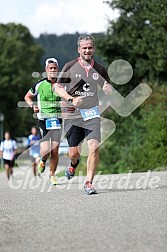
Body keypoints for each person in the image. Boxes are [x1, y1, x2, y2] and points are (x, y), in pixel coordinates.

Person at [54, 34, 112, 194]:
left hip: (91, 113)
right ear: (79, 49)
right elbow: (57, 88)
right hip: (73, 115)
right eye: (84, 48)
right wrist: (71, 99)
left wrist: (108, 88)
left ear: (94, 49)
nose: (87, 50)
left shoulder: (99, 69)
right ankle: (73, 164)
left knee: (94, 147)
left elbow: (106, 85)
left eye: (90, 47)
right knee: (74, 153)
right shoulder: (70, 66)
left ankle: (88, 183)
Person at [24, 57, 62, 185]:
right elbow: (27, 97)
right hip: (43, 120)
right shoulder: (39, 84)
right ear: (46, 70)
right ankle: (42, 160)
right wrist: (32, 106)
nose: (52, 70)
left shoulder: (62, 85)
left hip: (57, 120)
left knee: (55, 150)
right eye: (50, 68)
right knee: (45, 150)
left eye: (54, 68)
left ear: (58, 69)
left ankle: (52, 175)